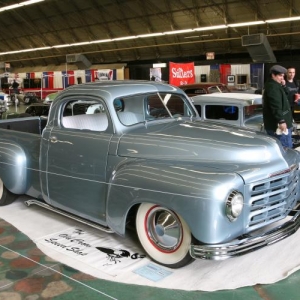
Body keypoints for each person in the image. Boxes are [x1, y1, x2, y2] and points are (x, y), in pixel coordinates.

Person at [263, 65, 293, 148]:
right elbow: (275, 105)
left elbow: (285, 96)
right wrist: (281, 121)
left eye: (283, 76)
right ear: (273, 75)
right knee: (285, 149)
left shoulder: (276, 85)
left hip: (280, 123)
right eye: (280, 75)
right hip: (278, 126)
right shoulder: (273, 87)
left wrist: (284, 86)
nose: (282, 78)